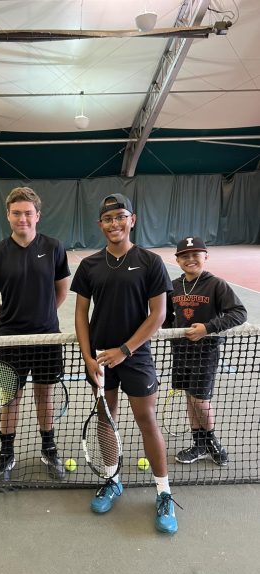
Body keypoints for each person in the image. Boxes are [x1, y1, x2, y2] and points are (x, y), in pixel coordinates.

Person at [71, 193, 179, 534]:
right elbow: (80, 313)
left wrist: (125, 350)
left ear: (132, 219)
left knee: (147, 420)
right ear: (100, 225)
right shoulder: (89, 265)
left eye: (121, 216)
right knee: (106, 419)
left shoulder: (149, 262)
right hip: (101, 357)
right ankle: (112, 479)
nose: (115, 223)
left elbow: (158, 315)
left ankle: (163, 493)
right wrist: (88, 356)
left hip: (135, 356)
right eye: (108, 219)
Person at [0, 186, 70, 481]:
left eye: (28, 213)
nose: (22, 218)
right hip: (11, 341)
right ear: (8, 216)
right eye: (16, 213)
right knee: (11, 398)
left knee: (44, 396)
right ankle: (6, 454)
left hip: (47, 339)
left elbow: (61, 291)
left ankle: (49, 448)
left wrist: (43, 318)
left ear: (37, 216)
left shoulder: (54, 247)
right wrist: (11, 320)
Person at [164, 236, 247, 466]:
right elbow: (166, 317)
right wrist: (168, 331)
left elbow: (239, 313)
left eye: (195, 255)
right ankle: (199, 444)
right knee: (190, 398)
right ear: (178, 260)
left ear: (205, 257)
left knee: (201, 400)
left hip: (206, 352)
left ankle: (211, 442)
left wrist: (207, 328)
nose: (190, 259)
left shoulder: (216, 284)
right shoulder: (174, 286)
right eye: (185, 256)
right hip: (180, 352)